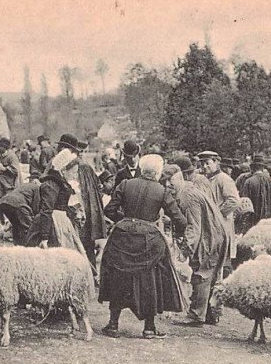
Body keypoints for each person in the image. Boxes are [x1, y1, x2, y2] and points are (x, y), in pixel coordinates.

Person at [99, 154, 188, 338]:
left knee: (118, 277)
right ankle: (149, 328)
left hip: (122, 237)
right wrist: (177, 232)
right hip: (149, 241)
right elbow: (180, 219)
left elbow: (109, 210)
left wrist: (124, 221)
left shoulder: (125, 184)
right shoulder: (162, 191)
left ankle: (113, 324)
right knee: (151, 280)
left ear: (141, 168)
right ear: (157, 172)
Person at [169, 155, 229, 328]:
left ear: (177, 178)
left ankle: (196, 316)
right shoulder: (190, 188)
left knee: (202, 275)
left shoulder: (187, 196)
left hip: (210, 237)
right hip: (214, 234)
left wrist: (185, 251)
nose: (168, 187)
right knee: (209, 275)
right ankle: (210, 314)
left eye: (170, 183)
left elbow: (194, 227)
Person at [24, 148, 87, 254]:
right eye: (73, 172)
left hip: (61, 221)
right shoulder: (51, 184)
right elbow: (46, 210)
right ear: (63, 170)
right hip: (51, 224)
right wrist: (44, 237)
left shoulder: (61, 183)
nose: (74, 176)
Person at [195, 150, 240, 274]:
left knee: (222, 260)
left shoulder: (223, 179)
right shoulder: (203, 179)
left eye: (207, 163)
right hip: (208, 227)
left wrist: (216, 214)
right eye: (202, 164)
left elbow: (234, 201)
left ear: (216, 162)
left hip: (221, 226)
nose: (204, 167)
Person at [72, 139, 107, 272]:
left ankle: (89, 273)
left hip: (81, 213)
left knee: (81, 244)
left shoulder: (81, 168)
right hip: (88, 213)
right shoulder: (87, 168)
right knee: (87, 244)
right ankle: (91, 273)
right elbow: (99, 188)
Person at [239, 154, 271, 225]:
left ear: (252, 168)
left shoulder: (249, 182)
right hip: (268, 219)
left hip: (253, 220)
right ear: (262, 168)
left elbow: (244, 202)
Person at [0, 179, 42, 246]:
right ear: (36, 182)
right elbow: (35, 206)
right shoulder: (36, 187)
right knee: (29, 228)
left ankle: (17, 245)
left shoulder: (23, 185)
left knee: (16, 225)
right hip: (18, 204)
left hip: (3, 202)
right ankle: (28, 247)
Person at [0, 137, 20, 216]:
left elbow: (16, 171)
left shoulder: (12, 156)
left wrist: (4, 169)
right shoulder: (0, 157)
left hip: (8, 187)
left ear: (4, 147)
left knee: (8, 207)